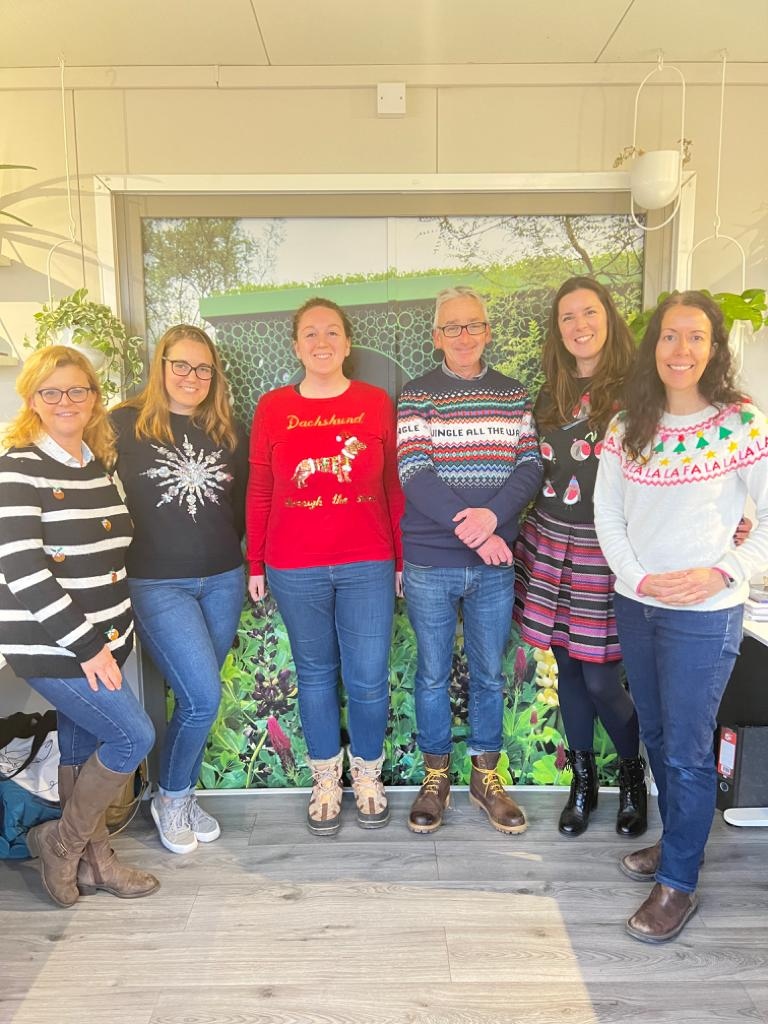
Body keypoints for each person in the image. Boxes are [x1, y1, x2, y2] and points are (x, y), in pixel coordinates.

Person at [594, 290, 768, 943]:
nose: (682, 349)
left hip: (705, 614)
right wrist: (636, 579)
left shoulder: (741, 424)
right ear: (653, 346)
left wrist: (721, 572)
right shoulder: (626, 427)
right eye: (670, 336)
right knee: (661, 738)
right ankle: (676, 848)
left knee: (691, 751)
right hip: (638, 606)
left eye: (696, 337)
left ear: (714, 349)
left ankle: (679, 885)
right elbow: (607, 516)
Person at [0, 346, 158, 907]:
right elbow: (21, 567)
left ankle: (96, 863)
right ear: (33, 399)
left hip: (106, 636)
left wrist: (111, 637)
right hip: (52, 642)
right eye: (51, 391)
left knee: (79, 744)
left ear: (93, 398)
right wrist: (89, 646)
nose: (66, 402)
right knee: (133, 735)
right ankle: (60, 844)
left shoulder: (99, 463)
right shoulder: (17, 466)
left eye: (77, 390)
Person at [246, 297, 403, 836]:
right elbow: (262, 487)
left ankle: (367, 775)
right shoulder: (272, 408)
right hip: (295, 565)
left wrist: (400, 558)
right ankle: (325, 779)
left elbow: (391, 487)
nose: (321, 342)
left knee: (367, 679)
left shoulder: (375, 403)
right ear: (296, 346)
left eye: (331, 332)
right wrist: (255, 561)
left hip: (367, 563)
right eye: (310, 333)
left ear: (347, 343)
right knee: (314, 677)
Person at [397, 286, 542, 835]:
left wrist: (491, 520)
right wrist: (480, 533)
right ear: (437, 337)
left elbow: (529, 468)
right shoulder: (415, 396)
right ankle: (436, 777)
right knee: (432, 675)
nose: (463, 336)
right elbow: (415, 473)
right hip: (433, 563)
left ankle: (485, 776)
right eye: (452, 327)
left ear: (487, 330)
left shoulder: (513, 394)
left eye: (473, 325)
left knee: (487, 674)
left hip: (492, 566)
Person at [514, 277, 648, 838]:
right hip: (549, 542)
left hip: (605, 549)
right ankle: (583, 783)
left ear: (608, 318)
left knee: (600, 679)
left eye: (588, 313)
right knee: (566, 665)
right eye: (567, 317)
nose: (579, 326)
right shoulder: (546, 394)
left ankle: (632, 776)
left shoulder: (640, 391)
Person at [111, 325, 247, 855]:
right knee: (203, 696)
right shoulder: (121, 425)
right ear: (161, 364)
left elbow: (235, 511)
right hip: (155, 582)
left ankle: (174, 793)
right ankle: (172, 797)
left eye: (203, 368)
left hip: (222, 579)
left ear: (214, 376)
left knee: (197, 699)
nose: (192, 377)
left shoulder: (227, 430)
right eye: (181, 365)